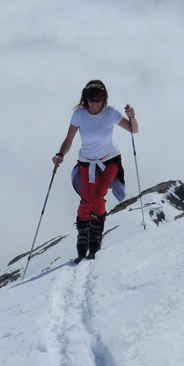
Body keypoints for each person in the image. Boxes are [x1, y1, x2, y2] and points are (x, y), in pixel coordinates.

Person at [52, 79, 138, 262]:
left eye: (99, 99)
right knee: (87, 199)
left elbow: (133, 130)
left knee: (98, 196)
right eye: (92, 99)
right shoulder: (79, 115)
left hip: (110, 160)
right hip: (87, 162)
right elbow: (68, 140)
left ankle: (96, 235)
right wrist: (60, 154)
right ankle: (83, 235)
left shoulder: (110, 113)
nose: (95, 103)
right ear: (86, 99)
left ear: (104, 99)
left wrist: (132, 116)